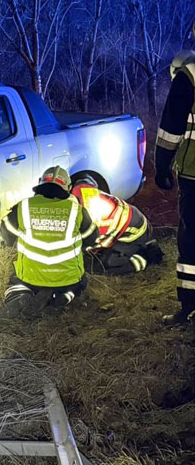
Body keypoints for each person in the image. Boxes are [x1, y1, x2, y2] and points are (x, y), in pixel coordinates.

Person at [0, 165, 98, 320]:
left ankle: (18, 295)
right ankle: (63, 298)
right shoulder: (77, 210)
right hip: (67, 278)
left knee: (16, 280)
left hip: (30, 278)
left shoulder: (24, 206)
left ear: (40, 183)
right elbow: (91, 238)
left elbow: (6, 232)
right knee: (80, 283)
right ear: (68, 188)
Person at [155, 46, 195, 326]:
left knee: (192, 239)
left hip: (194, 172)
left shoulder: (189, 73)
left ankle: (190, 307)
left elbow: (171, 127)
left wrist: (162, 166)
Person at [71, 176, 163, 274]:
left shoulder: (96, 225)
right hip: (131, 218)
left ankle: (146, 258)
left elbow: (90, 246)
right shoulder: (79, 192)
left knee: (100, 268)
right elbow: (87, 179)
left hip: (133, 234)